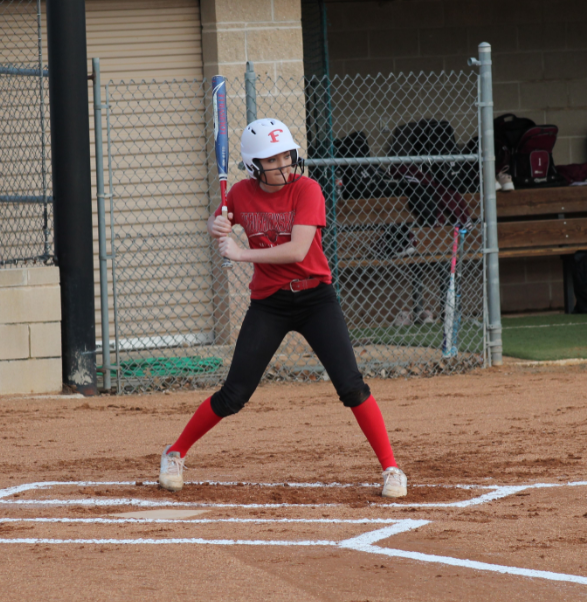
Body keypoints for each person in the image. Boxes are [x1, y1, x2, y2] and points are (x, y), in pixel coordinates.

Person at [158, 118, 407, 498]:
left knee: (351, 386)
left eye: (287, 157)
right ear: (255, 166)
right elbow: (219, 219)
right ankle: (175, 453)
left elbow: (297, 249)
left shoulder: (307, 189)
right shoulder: (240, 194)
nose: (285, 166)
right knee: (234, 394)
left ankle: (391, 469)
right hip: (269, 304)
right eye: (273, 161)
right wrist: (217, 226)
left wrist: (240, 252)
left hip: (316, 299)